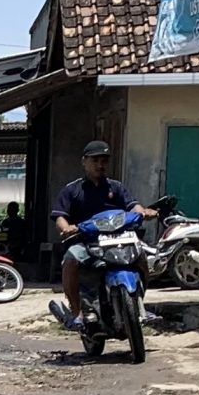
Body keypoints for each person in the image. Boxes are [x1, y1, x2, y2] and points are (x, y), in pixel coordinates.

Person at [49, 140, 155, 329]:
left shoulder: (116, 188)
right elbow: (60, 216)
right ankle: (76, 312)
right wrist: (66, 228)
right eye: (95, 160)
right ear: (84, 161)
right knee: (71, 258)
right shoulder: (72, 190)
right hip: (87, 242)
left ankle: (139, 305)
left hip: (119, 239)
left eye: (104, 161)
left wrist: (144, 212)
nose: (100, 165)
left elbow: (133, 206)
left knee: (141, 257)